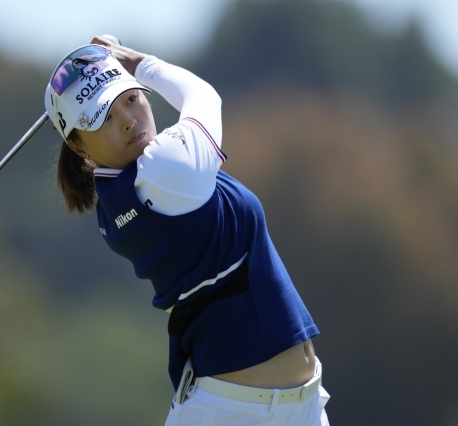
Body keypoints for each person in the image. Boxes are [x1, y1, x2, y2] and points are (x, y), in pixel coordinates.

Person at [44, 36, 330, 426]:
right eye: (103, 118)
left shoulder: (118, 200)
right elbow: (203, 95)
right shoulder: (165, 168)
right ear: (78, 148)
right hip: (235, 414)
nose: (128, 119)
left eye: (129, 98)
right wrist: (141, 64)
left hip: (289, 407)